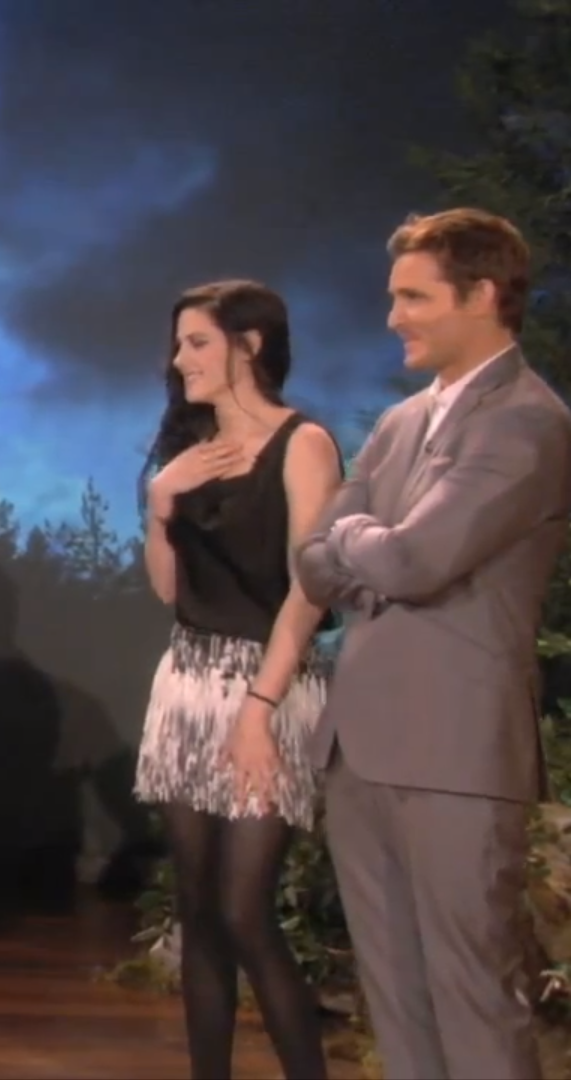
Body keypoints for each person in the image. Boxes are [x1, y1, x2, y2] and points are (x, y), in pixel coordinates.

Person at [296, 208, 571, 1079]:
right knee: (396, 998)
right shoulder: (401, 422)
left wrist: (359, 539)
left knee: (473, 996)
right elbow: (312, 563)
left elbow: (417, 561)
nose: (394, 318)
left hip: (456, 755)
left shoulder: (526, 420)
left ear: (482, 295)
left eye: (414, 298)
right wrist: (366, 544)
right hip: (362, 752)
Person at [133, 279, 344, 1079]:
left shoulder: (304, 444)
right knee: (199, 911)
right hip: (188, 687)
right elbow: (168, 590)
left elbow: (308, 591)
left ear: (249, 346)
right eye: (178, 344)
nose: (179, 359)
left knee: (243, 910)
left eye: (197, 342)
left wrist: (259, 707)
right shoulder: (189, 452)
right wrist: (161, 503)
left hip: (270, 688)